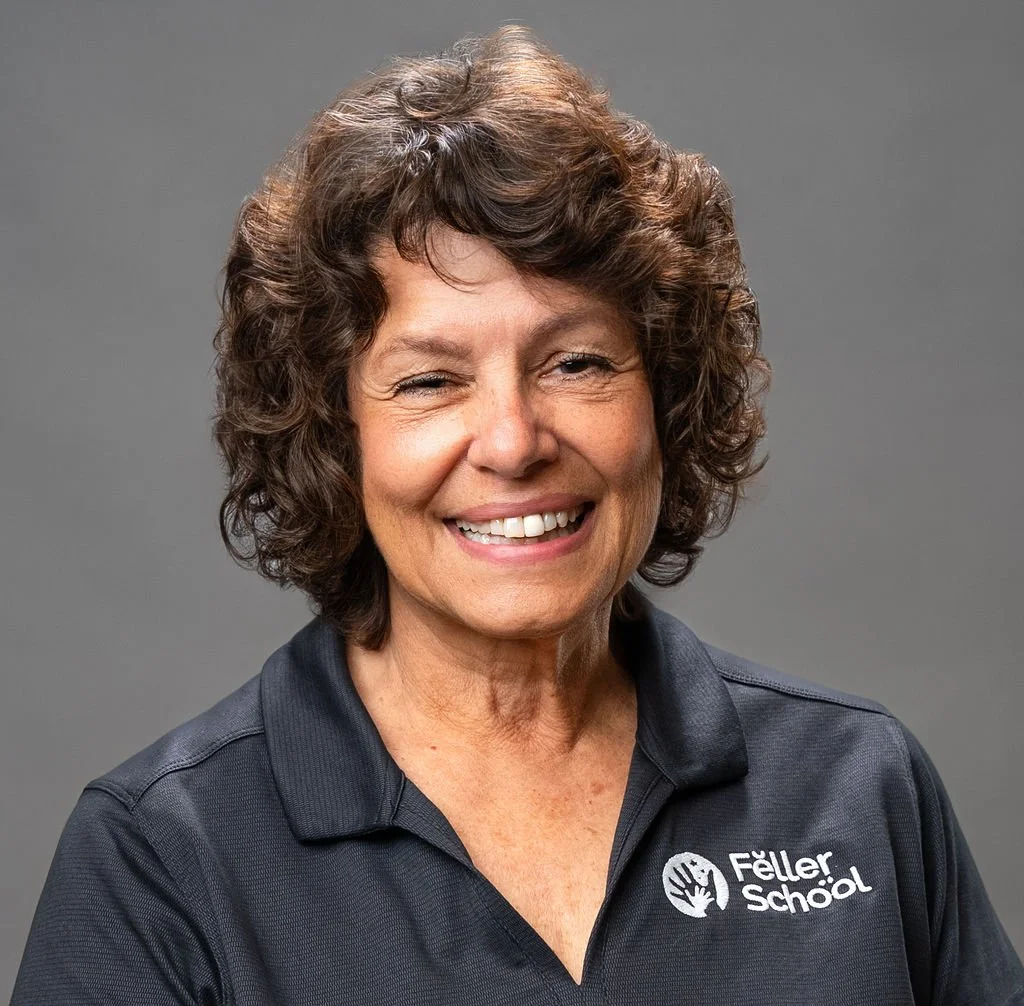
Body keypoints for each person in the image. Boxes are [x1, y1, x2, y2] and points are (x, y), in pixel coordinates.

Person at [12, 24, 1022, 1005]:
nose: (511, 439)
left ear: (663, 397)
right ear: (332, 432)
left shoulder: (854, 786)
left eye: (575, 362)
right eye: (428, 381)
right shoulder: (165, 858)